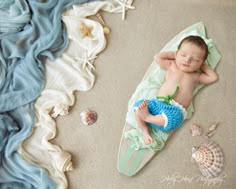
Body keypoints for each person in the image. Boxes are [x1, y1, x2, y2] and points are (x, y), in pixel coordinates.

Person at [134, 35, 218, 144]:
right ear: (177, 53)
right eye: (183, 55)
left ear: (201, 63)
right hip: (158, 103)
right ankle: (145, 131)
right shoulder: (172, 66)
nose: (187, 60)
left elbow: (213, 77)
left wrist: (202, 66)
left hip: (173, 111)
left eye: (195, 60)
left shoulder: (196, 77)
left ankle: (148, 118)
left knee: (176, 118)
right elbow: (157, 57)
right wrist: (174, 54)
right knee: (138, 105)